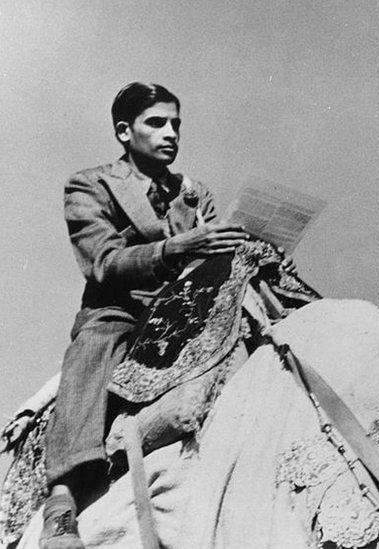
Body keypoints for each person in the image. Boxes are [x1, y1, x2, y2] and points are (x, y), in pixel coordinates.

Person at [39, 82, 252, 549]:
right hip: (123, 305)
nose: (170, 133)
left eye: (176, 123)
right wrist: (176, 247)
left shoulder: (195, 193)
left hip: (189, 302)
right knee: (95, 344)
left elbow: (208, 252)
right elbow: (103, 262)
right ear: (124, 131)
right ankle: (62, 497)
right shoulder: (89, 184)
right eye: (156, 123)